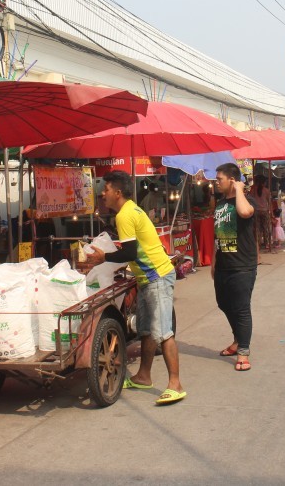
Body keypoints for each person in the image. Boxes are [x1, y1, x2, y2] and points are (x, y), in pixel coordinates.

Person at [82, 171, 185, 405]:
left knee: (163, 332)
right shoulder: (130, 210)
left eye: (106, 189)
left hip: (157, 276)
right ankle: (143, 376)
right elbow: (132, 250)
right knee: (147, 330)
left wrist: (103, 258)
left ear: (118, 193)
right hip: (147, 277)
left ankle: (175, 384)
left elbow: (128, 253)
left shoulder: (125, 215)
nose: (102, 194)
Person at [212, 163, 258, 372]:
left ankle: (243, 351)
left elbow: (246, 212)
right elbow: (218, 234)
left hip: (242, 266)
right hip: (223, 264)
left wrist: (239, 189)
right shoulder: (220, 204)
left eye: (219, 179)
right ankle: (238, 340)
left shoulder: (246, 200)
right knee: (223, 304)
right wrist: (213, 263)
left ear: (231, 180)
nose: (216, 183)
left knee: (241, 308)